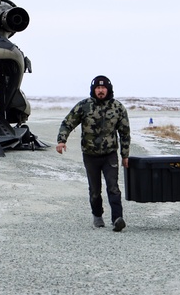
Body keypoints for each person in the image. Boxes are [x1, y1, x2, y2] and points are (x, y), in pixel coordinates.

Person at [56, 75, 131, 232]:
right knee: (95, 190)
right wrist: (62, 140)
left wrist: (125, 155)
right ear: (93, 90)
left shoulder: (117, 107)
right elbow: (67, 123)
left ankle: (117, 218)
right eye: (98, 88)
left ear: (108, 89)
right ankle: (97, 216)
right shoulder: (84, 106)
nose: (101, 90)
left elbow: (125, 133)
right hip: (90, 155)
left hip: (110, 154)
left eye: (103, 88)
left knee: (113, 187)